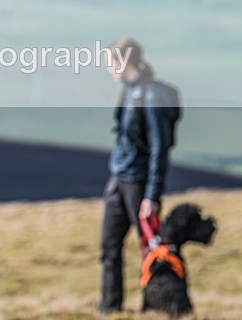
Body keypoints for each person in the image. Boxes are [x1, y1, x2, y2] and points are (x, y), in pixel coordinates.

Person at [100, 37, 181, 314]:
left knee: (153, 249)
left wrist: (152, 194)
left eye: (111, 62)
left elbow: (160, 148)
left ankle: (158, 305)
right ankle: (109, 309)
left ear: (124, 62)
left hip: (139, 183)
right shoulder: (129, 90)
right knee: (109, 246)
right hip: (118, 179)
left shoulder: (152, 96)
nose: (109, 69)